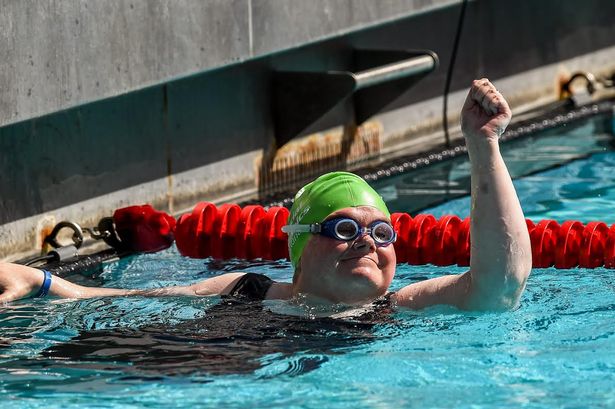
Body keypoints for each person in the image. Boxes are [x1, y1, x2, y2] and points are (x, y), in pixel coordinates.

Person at [0, 79, 532, 311]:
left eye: (381, 230)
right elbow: (133, 304)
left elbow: (500, 285)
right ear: (299, 251)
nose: (367, 242)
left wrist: (483, 144)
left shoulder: (399, 310)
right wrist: (40, 279)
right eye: (345, 228)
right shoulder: (247, 291)